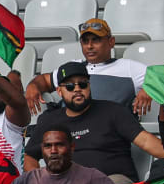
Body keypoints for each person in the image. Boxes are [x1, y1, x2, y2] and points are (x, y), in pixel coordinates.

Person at [25, 62, 164, 183]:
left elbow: (146, 141)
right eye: (70, 86)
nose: (77, 89)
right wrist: (39, 182)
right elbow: (29, 156)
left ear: (89, 86)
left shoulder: (113, 111)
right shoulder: (50, 120)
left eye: (82, 84)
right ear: (59, 91)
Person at [24, 19, 153, 115]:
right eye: (85, 41)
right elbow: (45, 80)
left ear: (111, 42)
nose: (89, 46)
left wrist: (149, 89)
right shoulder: (74, 67)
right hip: (69, 132)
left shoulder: (128, 67)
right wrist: (33, 86)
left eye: (96, 40)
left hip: (110, 134)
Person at [8, 125, 114, 184]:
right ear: (42, 149)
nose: (53, 151)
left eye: (59, 145)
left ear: (72, 147)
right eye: (48, 146)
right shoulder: (26, 181)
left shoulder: (92, 178)